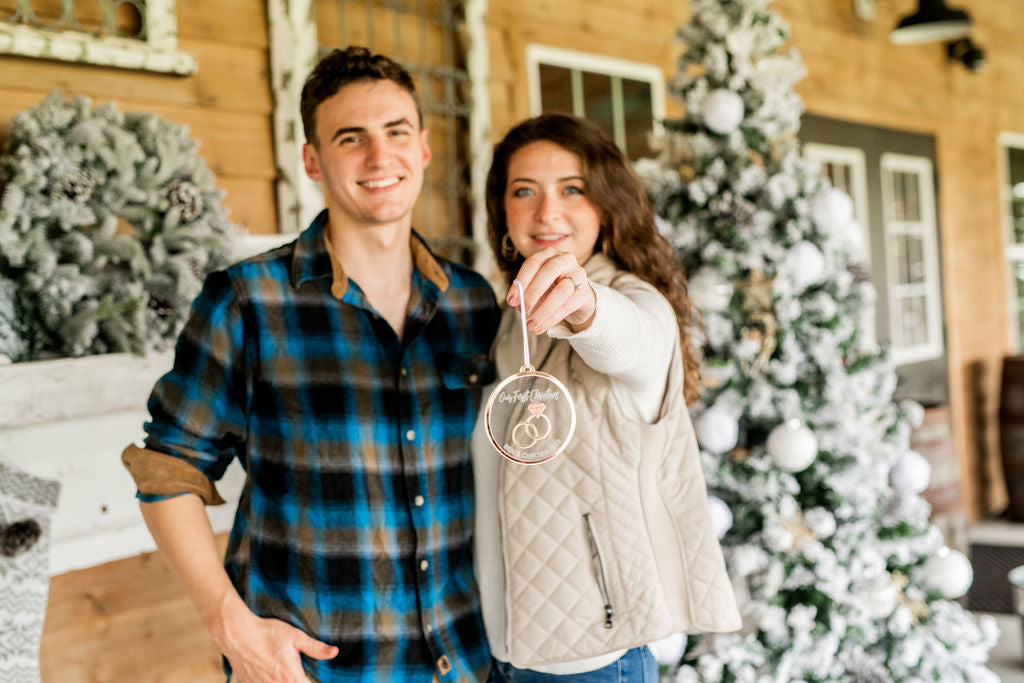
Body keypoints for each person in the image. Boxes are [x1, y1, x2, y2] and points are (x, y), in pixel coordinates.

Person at [121, 46, 498, 683]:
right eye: (352, 138)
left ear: (424, 149)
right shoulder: (249, 301)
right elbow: (168, 469)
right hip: (312, 671)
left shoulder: (472, 301)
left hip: (463, 661)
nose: (380, 158)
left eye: (396, 132)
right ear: (312, 161)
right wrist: (228, 622)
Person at [473, 113, 741, 681]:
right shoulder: (508, 322)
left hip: (591, 662)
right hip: (500, 654)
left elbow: (632, 342)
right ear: (503, 215)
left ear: (607, 206)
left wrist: (585, 306)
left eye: (572, 189)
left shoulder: (634, 301)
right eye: (525, 191)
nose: (548, 213)